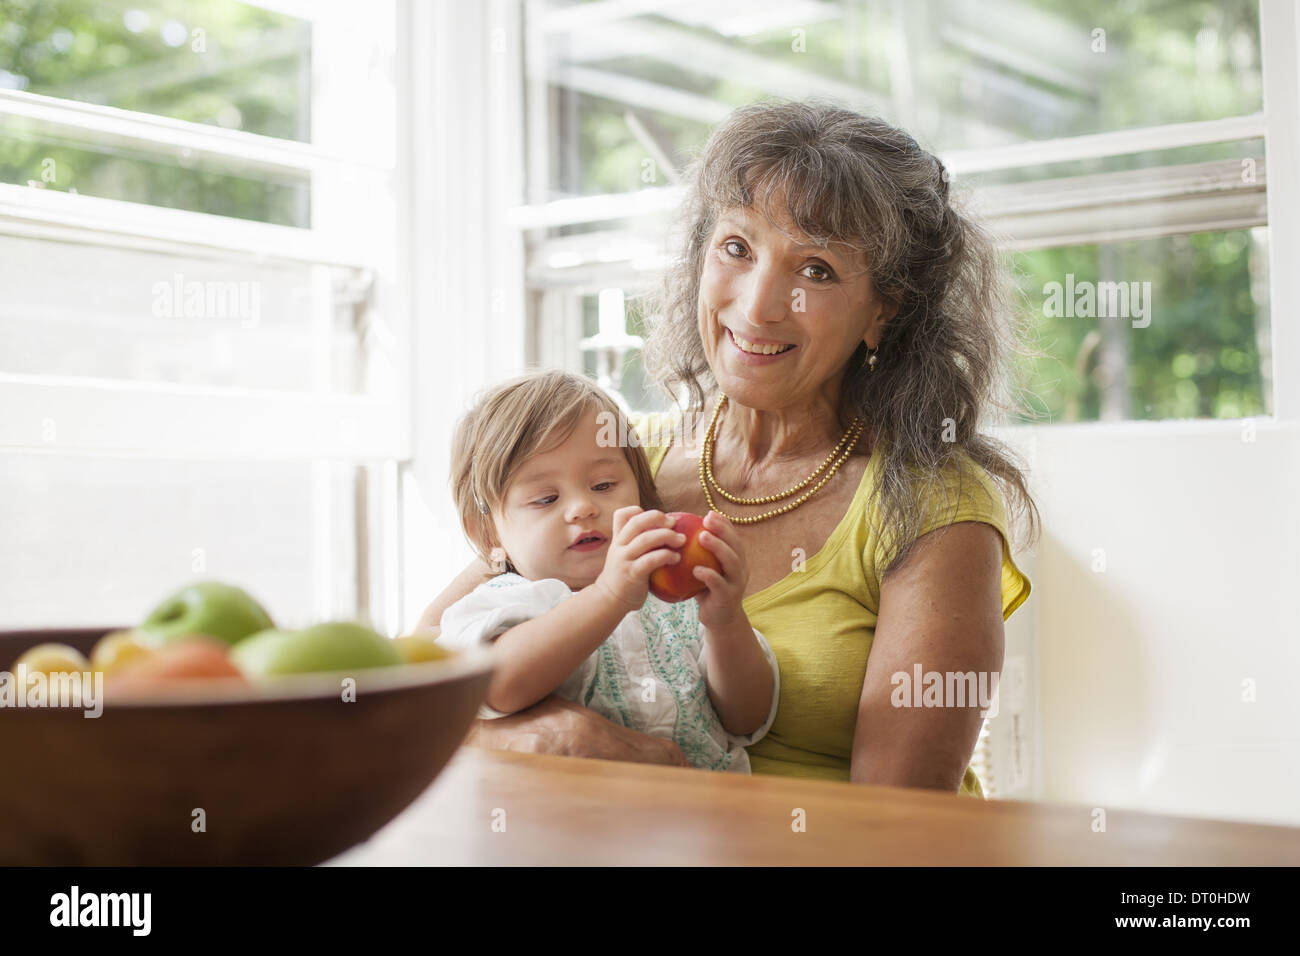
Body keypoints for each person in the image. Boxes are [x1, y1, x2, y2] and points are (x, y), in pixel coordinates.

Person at [419, 98, 1039, 796]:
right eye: (737, 248)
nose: (758, 305)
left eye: (817, 271)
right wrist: (548, 738)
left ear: (883, 309)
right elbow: (414, 684)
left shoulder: (932, 505)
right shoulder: (609, 465)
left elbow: (894, 826)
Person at [434, 369, 780, 773]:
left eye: (603, 485)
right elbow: (499, 686)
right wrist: (609, 597)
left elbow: (747, 717)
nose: (583, 507)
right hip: (575, 829)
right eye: (546, 499)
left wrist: (725, 622)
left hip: (703, 824)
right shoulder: (502, 603)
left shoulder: (679, 603)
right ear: (488, 534)